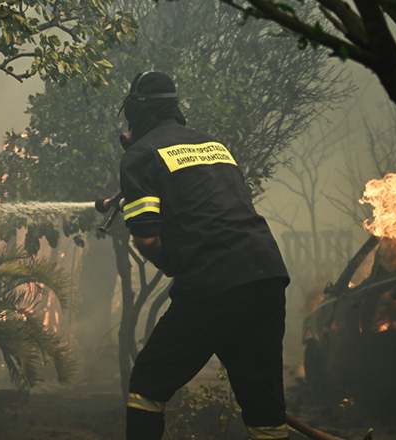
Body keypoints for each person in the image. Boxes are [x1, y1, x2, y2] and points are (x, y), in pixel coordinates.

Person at [118, 71, 291, 440]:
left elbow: (147, 240)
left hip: (214, 280)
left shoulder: (140, 155)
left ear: (136, 112)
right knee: (264, 408)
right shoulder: (215, 146)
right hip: (267, 274)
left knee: (147, 384)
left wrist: (176, 265)